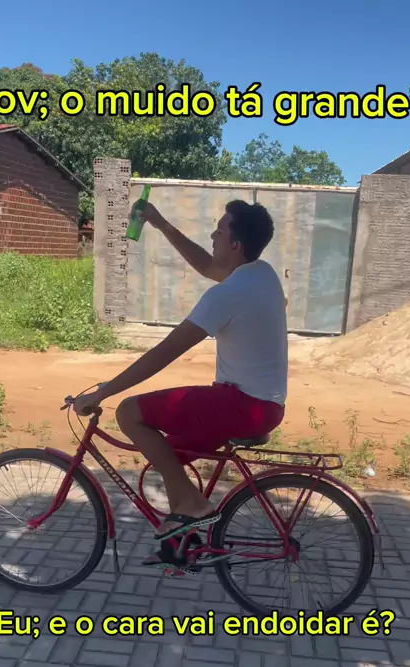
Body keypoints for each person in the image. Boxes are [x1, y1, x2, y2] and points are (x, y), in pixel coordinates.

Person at [74, 198, 288, 565]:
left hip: (242, 406)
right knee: (167, 455)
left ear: (235, 245)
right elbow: (207, 265)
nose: (212, 236)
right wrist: (159, 223)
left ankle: (193, 507)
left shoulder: (228, 294)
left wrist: (104, 391)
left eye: (219, 232)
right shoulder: (260, 273)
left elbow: (165, 353)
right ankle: (180, 540)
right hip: (264, 406)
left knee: (129, 413)